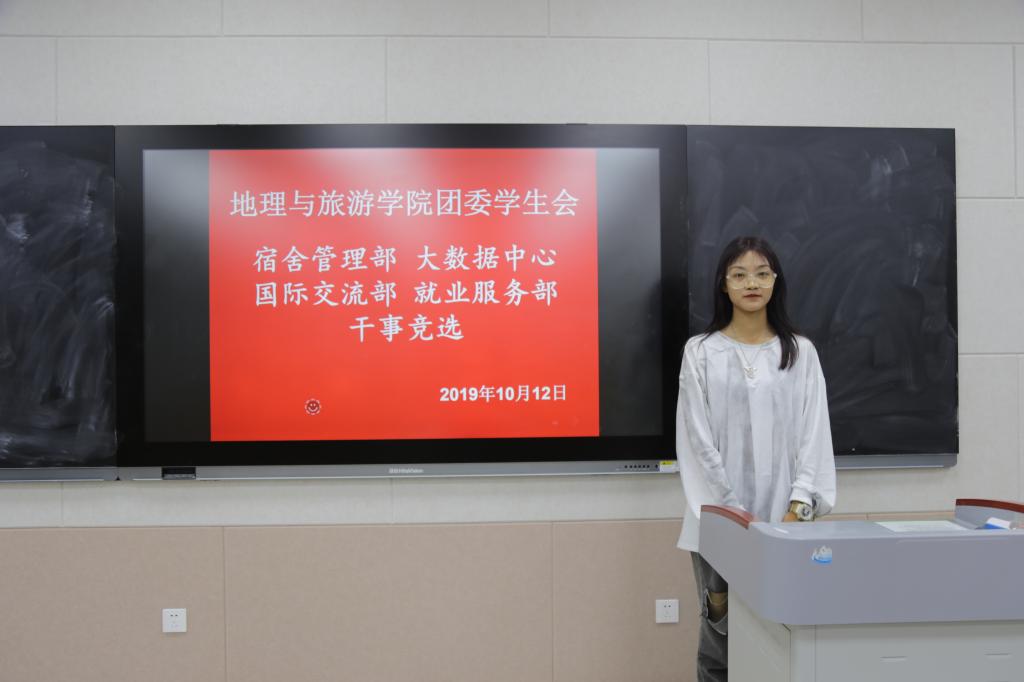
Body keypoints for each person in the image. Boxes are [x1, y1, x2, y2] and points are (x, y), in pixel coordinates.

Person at [675, 236, 836, 682]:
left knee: (785, 637)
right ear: (723, 284)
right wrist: (733, 516)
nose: (752, 283)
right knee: (719, 640)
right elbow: (696, 441)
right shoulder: (701, 352)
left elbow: (815, 433)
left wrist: (797, 509)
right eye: (740, 274)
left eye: (762, 273)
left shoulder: (800, 352)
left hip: (787, 523)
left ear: (775, 282)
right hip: (716, 523)